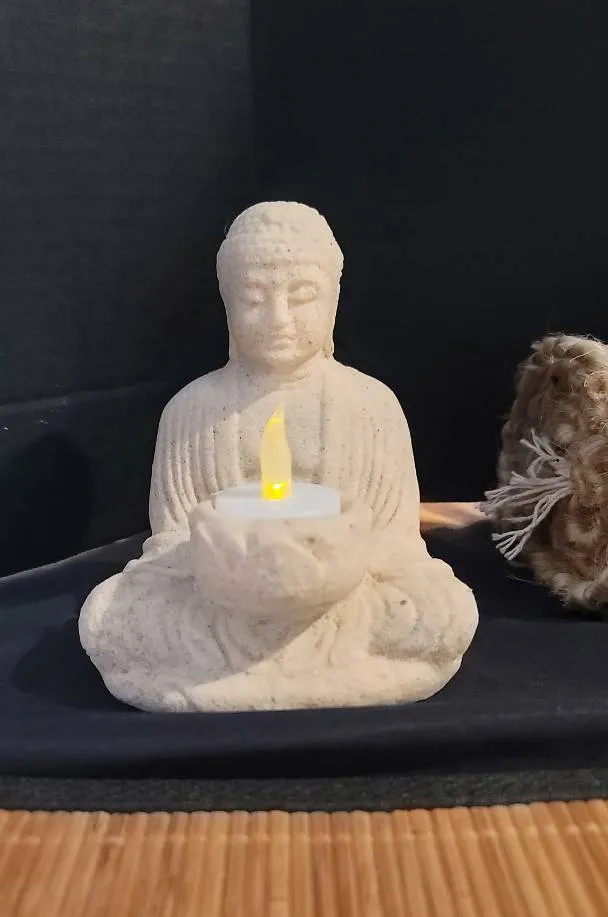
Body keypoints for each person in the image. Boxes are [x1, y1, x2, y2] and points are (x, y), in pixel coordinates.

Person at [80, 202, 477, 711]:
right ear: (227, 305)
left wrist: (318, 568)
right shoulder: (191, 410)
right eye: (252, 299)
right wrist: (245, 574)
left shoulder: (370, 406)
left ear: (333, 300)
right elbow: (170, 543)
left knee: (437, 612)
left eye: (302, 296)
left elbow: (398, 542)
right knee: (117, 617)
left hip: (344, 602)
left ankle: (245, 675)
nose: (278, 319)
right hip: (220, 605)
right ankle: (300, 670)